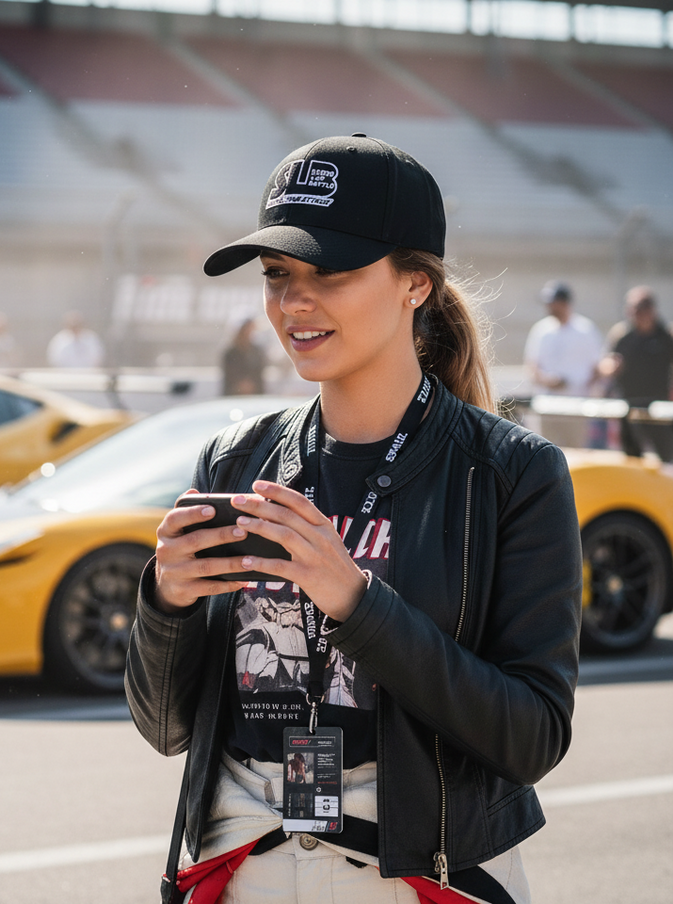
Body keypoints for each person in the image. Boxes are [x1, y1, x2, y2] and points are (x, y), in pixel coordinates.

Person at [125, 135, 582, 904]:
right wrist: (163, 603)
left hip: (417, 872)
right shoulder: (236, 460)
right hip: (239, 863)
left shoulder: (512, 473)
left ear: (414, 285)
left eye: (329, 271)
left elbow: (532, 736)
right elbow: (166, 729)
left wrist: (359, 604)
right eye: (277, 275)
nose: (294, 301)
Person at [523, 280, 605, 448]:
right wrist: (548, 381)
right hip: (546, 406)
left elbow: (597, 367)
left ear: (564, 303)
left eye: (553, 303)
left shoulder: (586, 330)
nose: (550, 307)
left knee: (575, 454)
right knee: (544, 453)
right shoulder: (541, 330)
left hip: (577, 406)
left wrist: (587, 388)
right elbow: (532, 366)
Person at [598, 285, 673, 461]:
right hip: (629, 407)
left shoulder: (665, 335)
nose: (637, 313)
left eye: (641, 308)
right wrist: (610, 367)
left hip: (659, 409)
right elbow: (605, 363)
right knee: (632, 458)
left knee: (666, 458)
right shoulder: (622, 334)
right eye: (633, 308)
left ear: (651, 309)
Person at [221, 318, 267, 396]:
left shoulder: (257, 351)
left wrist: (252, 385)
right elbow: (230, 374)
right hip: (233, 396)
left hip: (255, 396)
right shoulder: (230, 353)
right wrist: (241, 385)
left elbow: (259, 373)